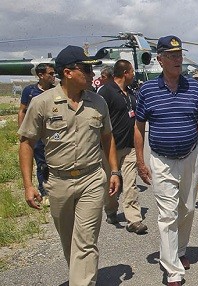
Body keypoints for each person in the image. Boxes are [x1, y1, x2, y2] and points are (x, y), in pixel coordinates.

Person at [18, 45, 120, 286]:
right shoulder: (42, 103)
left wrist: (114, 171)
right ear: (67, 72)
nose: (91, 74)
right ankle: (80, 276)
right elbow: (27, 142)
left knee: (85, 241)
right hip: (58, 181)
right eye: (85, 69)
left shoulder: (98, 103)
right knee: (69, 241)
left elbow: (107, 138)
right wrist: (28, 185)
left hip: (92, 179)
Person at [134, 35, 198, 286]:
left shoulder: (193, 87)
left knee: (188, 209)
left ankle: (179, 251)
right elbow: (138, 128)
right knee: (167, 214)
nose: (178, 59)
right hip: (161, 160)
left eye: (179, 54)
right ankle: (173, 270)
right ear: (160, 60)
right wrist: (140, 160)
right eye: (171, 55)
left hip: (191, 156)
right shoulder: (147, 90)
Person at [98, 59, 148, 234]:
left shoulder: (131, 94)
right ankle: (111, 210)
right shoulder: (106, 92)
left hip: (129, 148)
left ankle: (133, 219)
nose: (134, 75)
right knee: (111, 184)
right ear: (125, 73)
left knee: (130, 183)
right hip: (109, 149)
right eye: (132, 72)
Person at [17, 63, 56, 206]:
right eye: (50, 74)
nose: (53, 76)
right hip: (36, 135)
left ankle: (54, 189)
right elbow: (22, 111)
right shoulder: (30, 91)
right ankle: (44, 191)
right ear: (41, 75)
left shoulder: (54, 91)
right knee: (41, 164)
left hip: (51, 134)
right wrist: (22, 132)